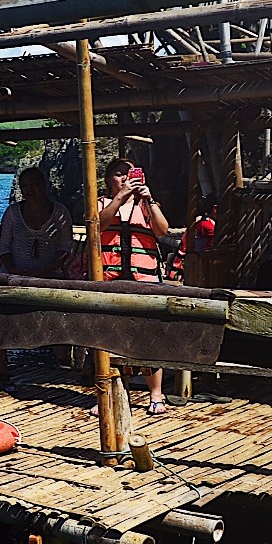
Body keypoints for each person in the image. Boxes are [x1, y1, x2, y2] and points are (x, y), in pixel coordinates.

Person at [98, 159, 171, 414]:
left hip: (145, 280)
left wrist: (149, 199)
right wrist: (120, 198)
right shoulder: (102, 204)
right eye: (119, 175)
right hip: (111, 279)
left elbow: (163, 231)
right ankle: (112, 393)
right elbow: (97, 226)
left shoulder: (148, 206)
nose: (125, 179)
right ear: (109, 180)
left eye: (130, 174)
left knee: (147, 335)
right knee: (109, 336)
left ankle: (156, 394)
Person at [0, 167, 76, 383]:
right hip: (14, 274)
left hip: (50, 275)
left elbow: (66, 246)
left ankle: (63, 360)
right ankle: (2, 361)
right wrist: (14, 270)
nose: (29, 190)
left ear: (45, 186)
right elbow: (3, 247)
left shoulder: (59, 212)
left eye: (34, 184)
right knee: (1, 309)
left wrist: (46, 269)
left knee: (62, 310)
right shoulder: (13, 213)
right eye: (24, 186)